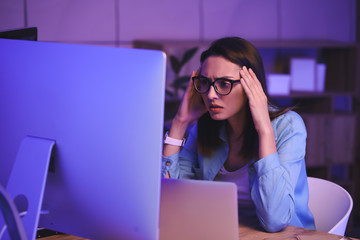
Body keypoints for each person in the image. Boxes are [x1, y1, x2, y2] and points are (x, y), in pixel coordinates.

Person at [161, 37, 316, 232]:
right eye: (205, 83)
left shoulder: (289, 126)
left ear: (252, 86)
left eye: (224, 83)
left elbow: (274, 221)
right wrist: (179, 122)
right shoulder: (206, 126)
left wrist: (264, 129)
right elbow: (171, 198)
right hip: (222, 231)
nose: (210, 95)